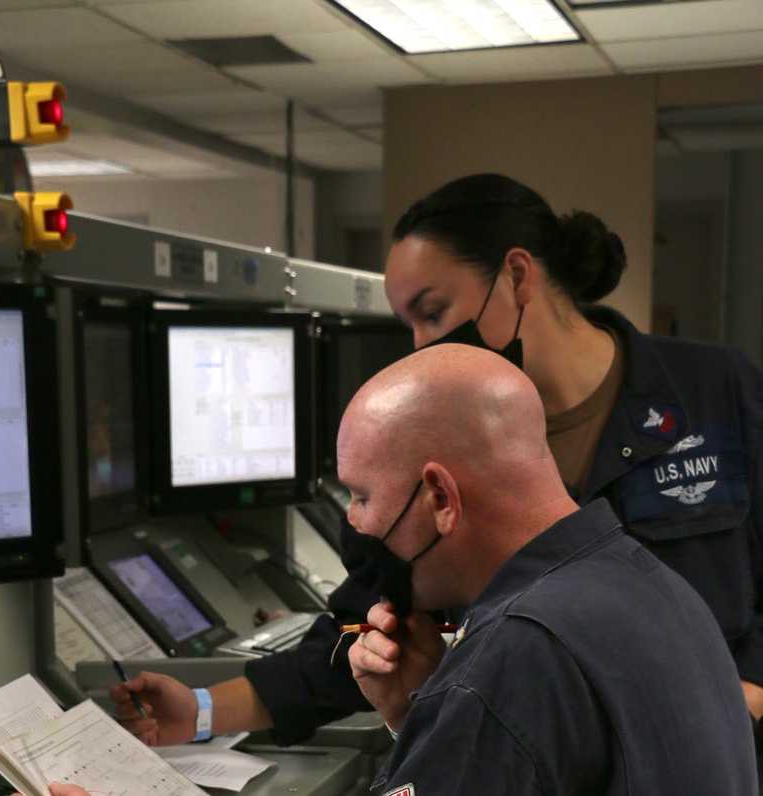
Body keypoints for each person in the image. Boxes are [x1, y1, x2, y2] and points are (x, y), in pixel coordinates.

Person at [111, 173, 763, 764]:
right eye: (409, 324)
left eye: (433, 311)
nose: (422, 346)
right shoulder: (446, 448)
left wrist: (728, 696)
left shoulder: (716, 391)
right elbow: (364, 631)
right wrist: (199, 711)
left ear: (516, 277)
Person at [339, 343, 756, 792]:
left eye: (362, 497)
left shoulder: (516, 654)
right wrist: (425, 720)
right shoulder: (654, 585)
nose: (352, 520)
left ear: (440, 497)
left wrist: (459, 705)